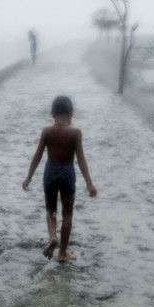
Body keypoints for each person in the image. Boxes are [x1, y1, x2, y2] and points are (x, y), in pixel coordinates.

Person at [23, 96, 97, 262]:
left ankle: (52, 237)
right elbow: (81, 159)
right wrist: (89, 183)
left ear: (52, 113)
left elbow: (37, 156)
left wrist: (28, 178)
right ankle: (62, 253)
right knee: (68, 214)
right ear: (70, 113)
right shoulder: (76, 133)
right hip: (67, 174)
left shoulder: (47, 131)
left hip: (50, 173)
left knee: (51, 211)